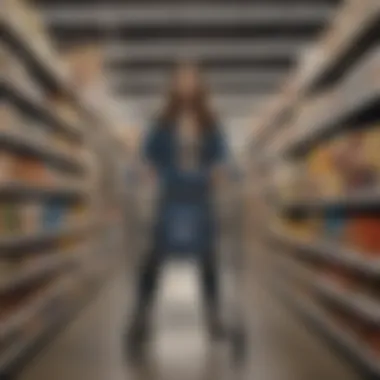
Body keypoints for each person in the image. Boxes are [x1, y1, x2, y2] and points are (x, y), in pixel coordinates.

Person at [126, 62, 228, 358]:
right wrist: (145, 170)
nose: (185, 84)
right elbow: (146, 157)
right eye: (180, 79)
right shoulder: (161, 123)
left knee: (208, 257)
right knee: (154, 258)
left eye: (191, 79)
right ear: (172, 86)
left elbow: (222, 157)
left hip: (200, 201)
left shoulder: (211, 123)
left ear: (199, 85)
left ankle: (213, 315)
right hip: (169, 200)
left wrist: (220, 170)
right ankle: (142, 314)